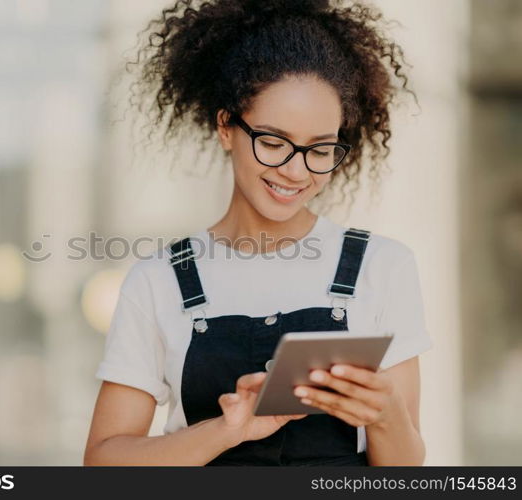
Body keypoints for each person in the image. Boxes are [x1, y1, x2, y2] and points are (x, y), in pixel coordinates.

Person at [84, 0, 432, 466]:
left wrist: (387, 415)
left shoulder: (383, 267)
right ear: (226, 127)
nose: (294, 171)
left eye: (320, 149)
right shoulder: (158, 281)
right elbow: (103, 464)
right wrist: (225, 430)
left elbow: (404, 474)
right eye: (272, 142)